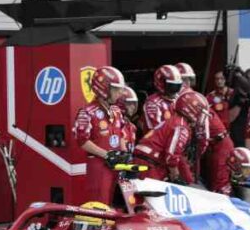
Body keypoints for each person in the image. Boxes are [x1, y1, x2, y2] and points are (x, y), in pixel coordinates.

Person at [74, 66, 129, 204]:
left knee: (119, 204)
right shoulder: (87, 112)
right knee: (100, 204)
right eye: (116, 89)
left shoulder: (116, 110)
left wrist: (124, 152)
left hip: (117, 164)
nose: (120, 93)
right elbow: (82, 140)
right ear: (103, 89)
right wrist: (106, 155)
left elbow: (121, 132)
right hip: (99, 166)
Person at [133, 91, 207, 183]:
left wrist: (188, 179)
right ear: (192, 109)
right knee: (153, 196)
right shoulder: (182, 127)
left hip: (145, 160)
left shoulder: (175, 120)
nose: (201, 117)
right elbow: (172, 157)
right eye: (200, 112)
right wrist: (176, 177)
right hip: (149, 163)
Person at [142, 64, 183, 133]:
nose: (174, 90)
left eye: (177, 86)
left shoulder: (179, 99)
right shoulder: (152, 103)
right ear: (161, 83)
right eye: (172, 86)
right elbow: (156, 130)